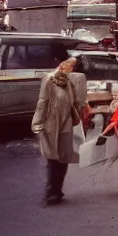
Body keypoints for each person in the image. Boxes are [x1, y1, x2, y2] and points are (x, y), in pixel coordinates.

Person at [32, 57, 88, 206]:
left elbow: (75, 102)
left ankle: (58, 191)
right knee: (52, 159)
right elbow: (42, 101)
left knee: (63, 158)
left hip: (66, 124)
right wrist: (37, 123)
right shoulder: (49, 80)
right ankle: (51, 193)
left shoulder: (69, 83)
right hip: (51, 124)